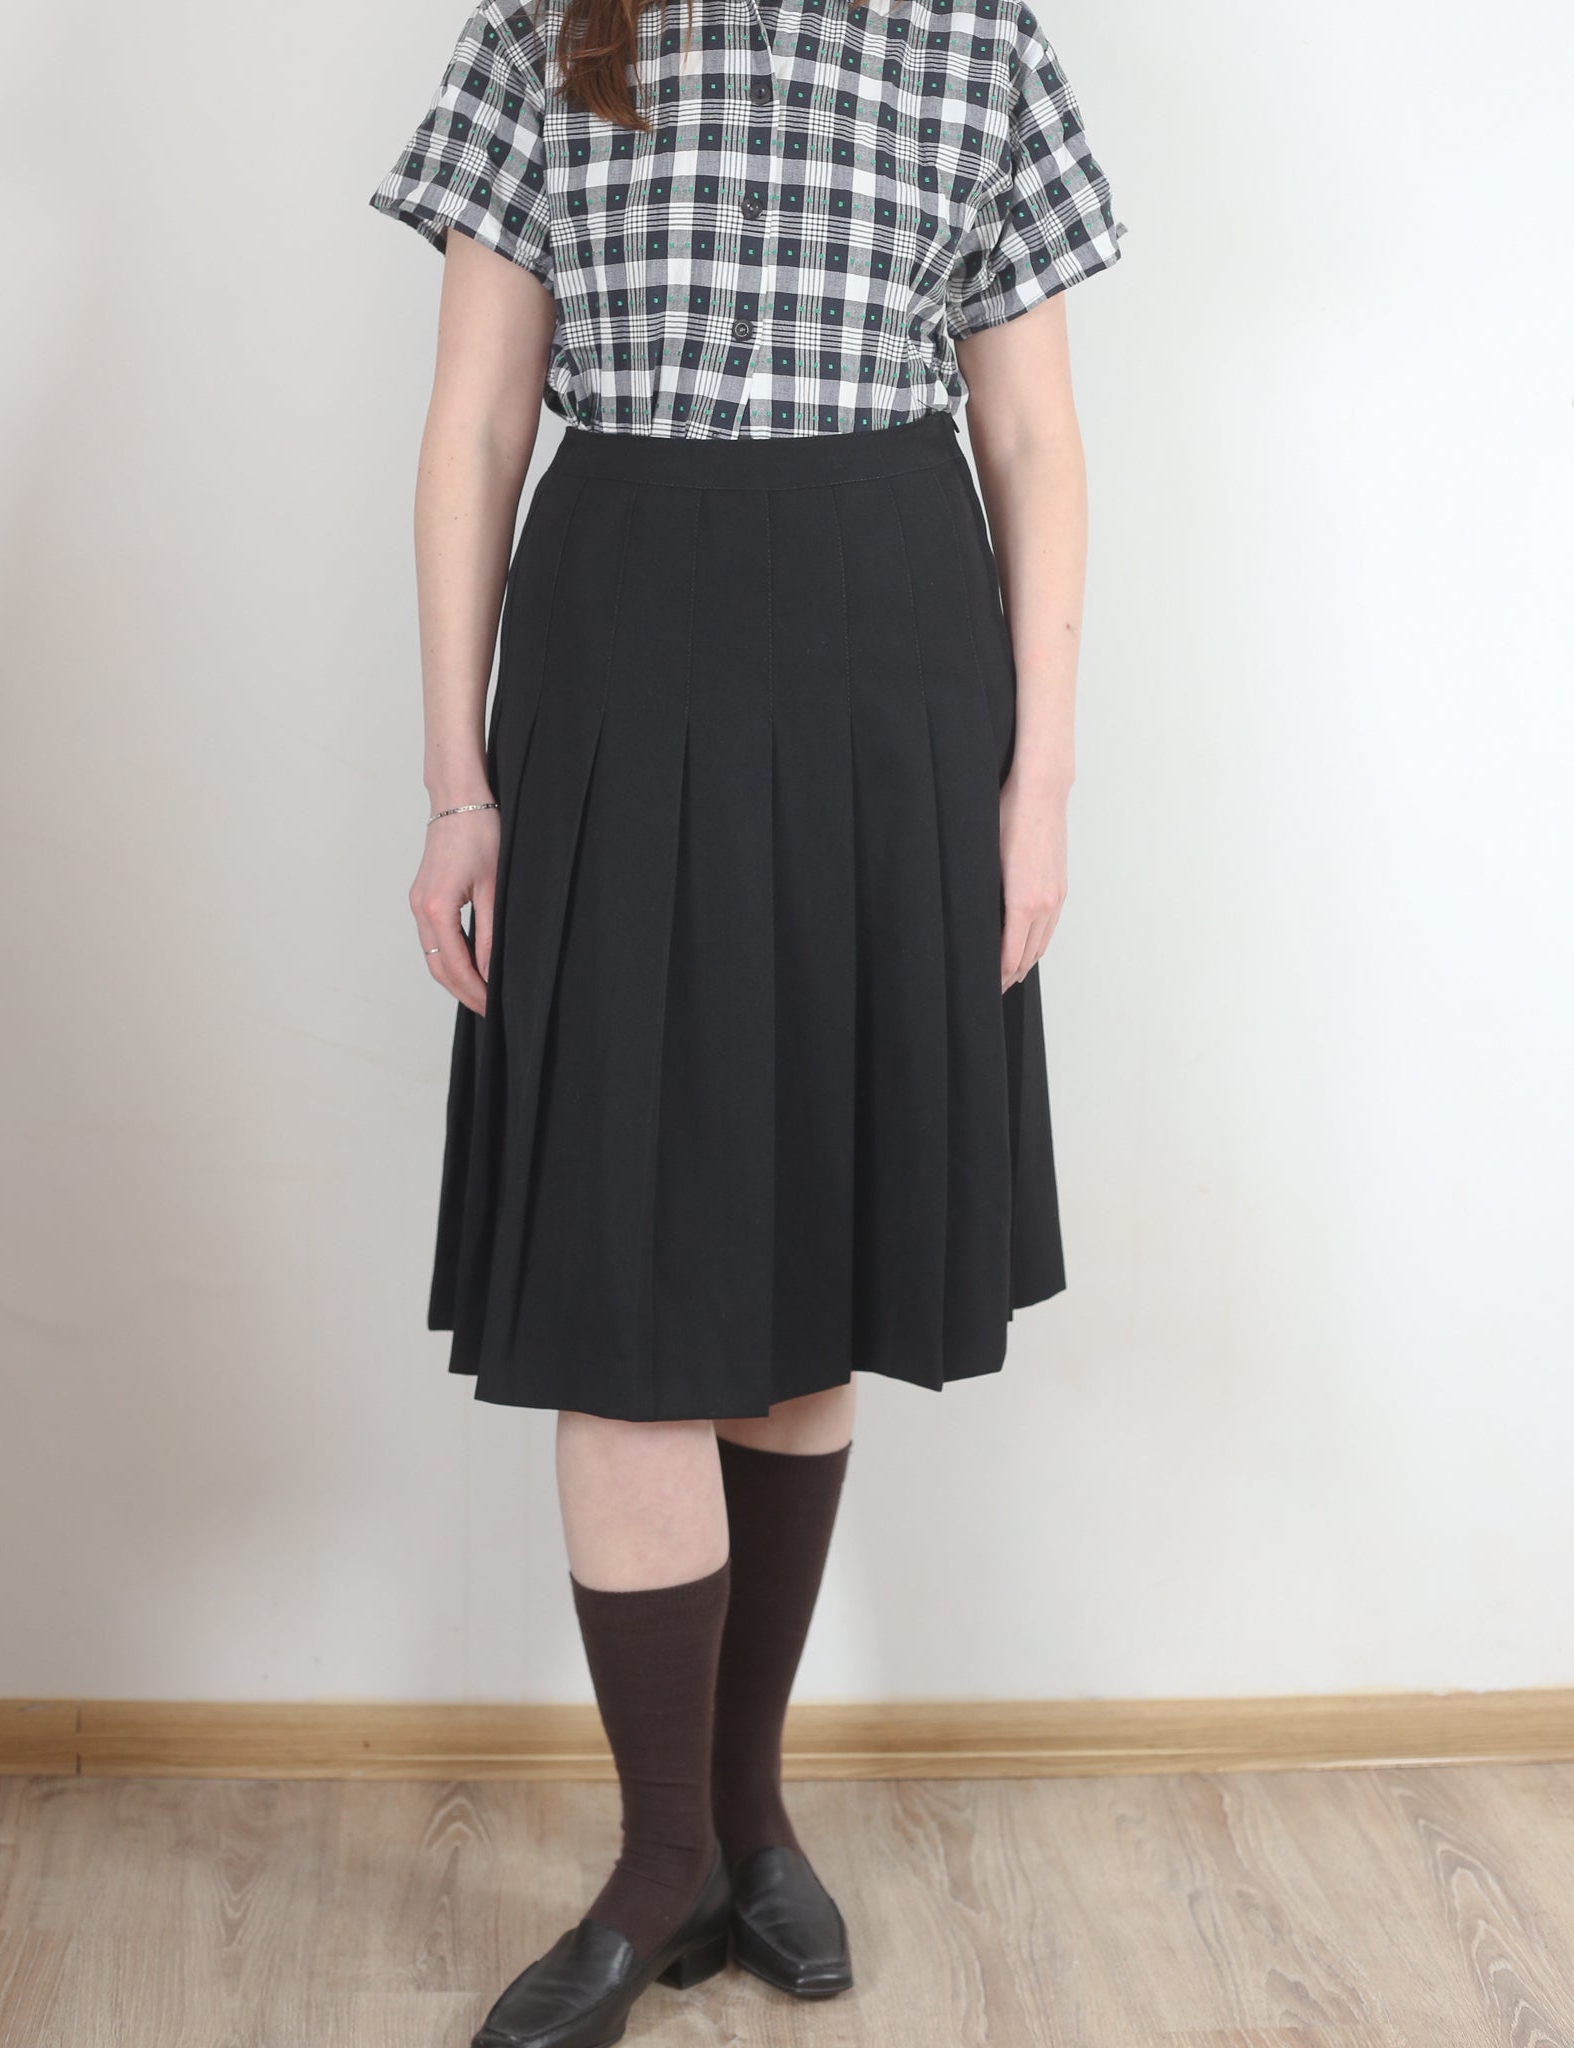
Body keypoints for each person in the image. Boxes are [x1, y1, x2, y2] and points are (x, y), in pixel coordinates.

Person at [368, 0, 1125, 2034]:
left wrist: (1038, 783)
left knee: (809, 1264)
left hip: (892, 677)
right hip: (621, 655)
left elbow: (1032, 436)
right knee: (619, 1279)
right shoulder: (548, 27)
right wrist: (456, 783)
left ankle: (745, 1815)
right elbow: (475, 424)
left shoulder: (975, 39)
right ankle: (657, 1862)